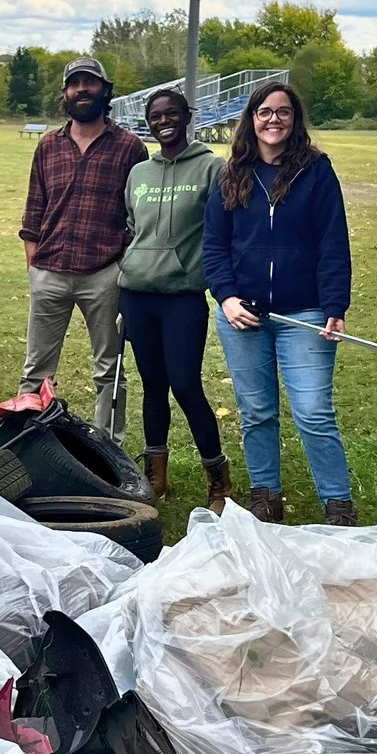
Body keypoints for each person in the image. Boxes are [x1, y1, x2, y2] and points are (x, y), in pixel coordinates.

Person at [201, 78, 355, 526]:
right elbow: (214, 245)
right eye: (264, 112)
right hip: (241, 314)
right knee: (257, 412)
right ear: (251, 119)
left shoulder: (316, 171)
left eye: (283, 112)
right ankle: (266, 496)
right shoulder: (231, 174)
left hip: (303, 313)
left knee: (313, 411)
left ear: (294, 119)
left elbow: (333, 242)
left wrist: (334, 307)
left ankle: (338, 503)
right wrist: (226, 298)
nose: (274, 120)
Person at [117, 86, 233, 512]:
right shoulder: (138, 174)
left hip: (182, 296)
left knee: (185, 384)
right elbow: (131, 228)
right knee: (153, 386)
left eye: (171, 114)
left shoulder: (210, 168)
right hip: (137, 294)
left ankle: (218, 477)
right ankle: (155, 474)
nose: (163, 121)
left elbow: (222, 231)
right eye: (155, 116)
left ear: (187, 116)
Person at [17, 57, 146, 438]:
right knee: (36, 369)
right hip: (50, 271)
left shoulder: (129, 148)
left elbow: (137, 214)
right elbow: (34, 209)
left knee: (110, 368)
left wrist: (120, 268)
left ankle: (109, 447)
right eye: (75, 84)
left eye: (90, 83)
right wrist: (34, 268)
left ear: (105, 91)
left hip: (104, 274)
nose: (82, 90)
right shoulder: (48, 145)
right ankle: (28, 440)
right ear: (65, 93)